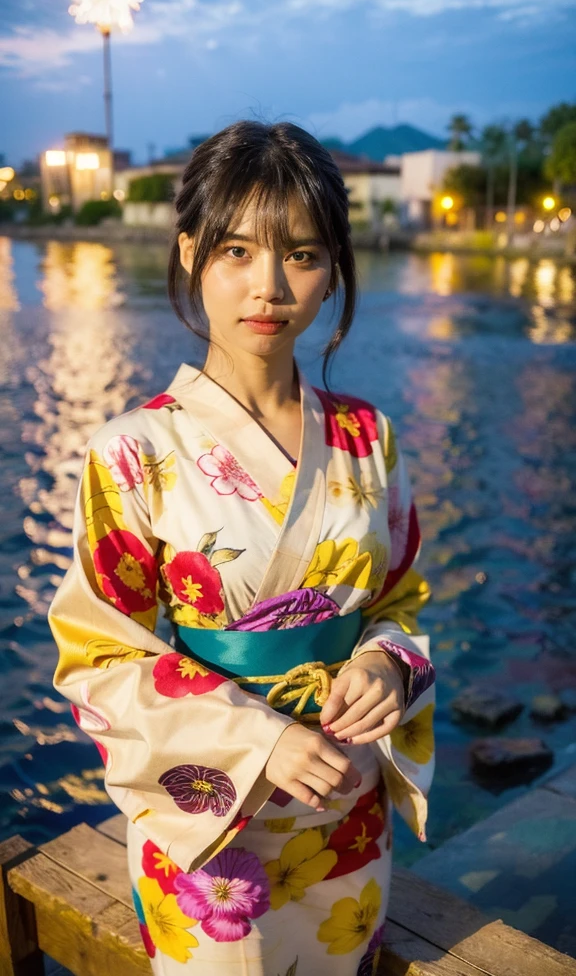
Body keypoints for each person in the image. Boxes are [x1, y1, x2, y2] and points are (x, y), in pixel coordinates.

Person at [48, 121, 435, 975]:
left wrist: (389, 667)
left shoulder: (371, 437)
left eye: (301, 254)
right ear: (190, 254)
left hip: (347, 809)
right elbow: (101, 657)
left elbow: (400, 599)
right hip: (214, 832)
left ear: (334, 266)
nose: (269, 287)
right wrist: (256, 741)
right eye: (235, 251)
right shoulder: (132, 451)